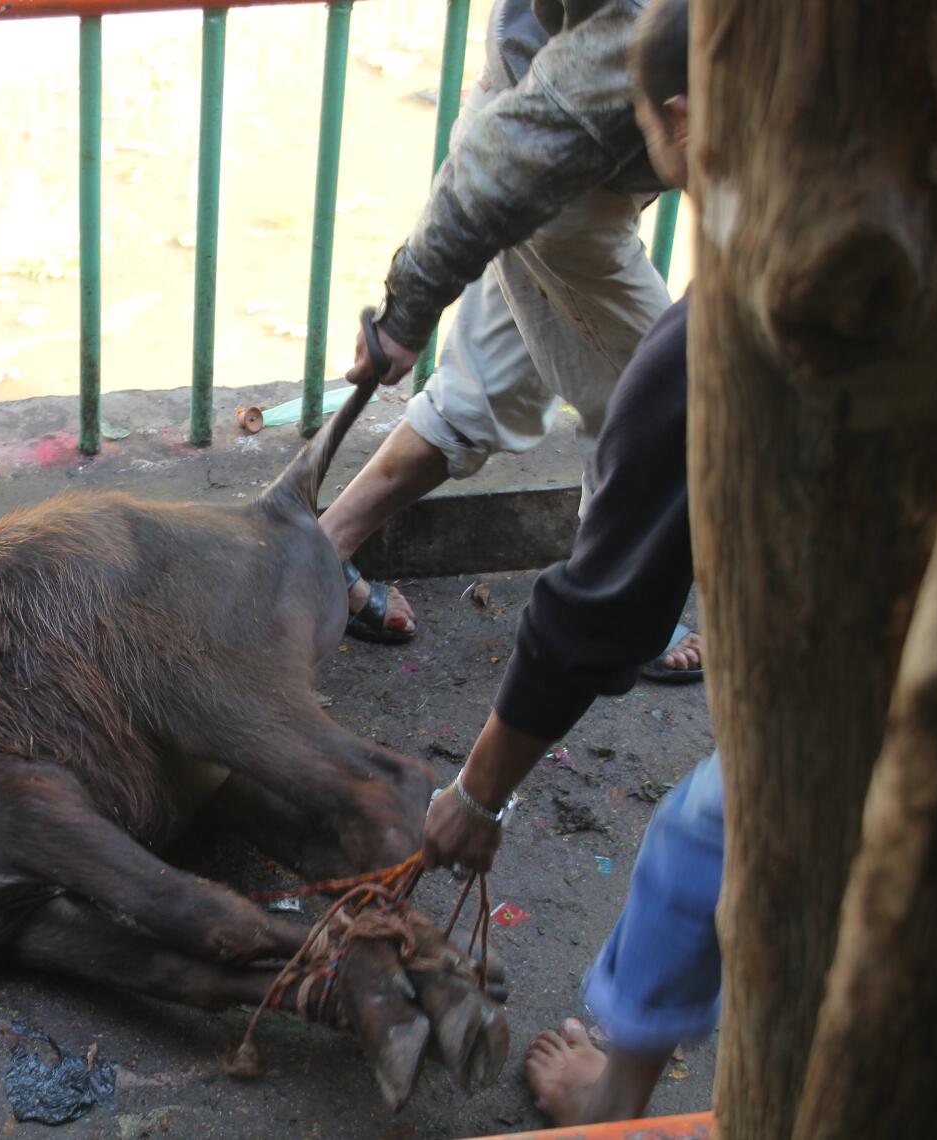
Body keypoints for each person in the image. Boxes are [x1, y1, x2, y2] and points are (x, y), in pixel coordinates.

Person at [417, 0, 715, 1123]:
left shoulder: (701, 346)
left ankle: (619, 1092)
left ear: (675, 125)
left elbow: (604, 608)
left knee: (705, 831)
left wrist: (477, 793)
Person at [328, 0, 699, 680]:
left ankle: (323, 553)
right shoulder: (643, 19)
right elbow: (514, 155)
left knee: (485, 393)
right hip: (549, 177)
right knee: (665, 410)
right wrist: (407, 312)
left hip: (561, 155)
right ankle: (618, 606)